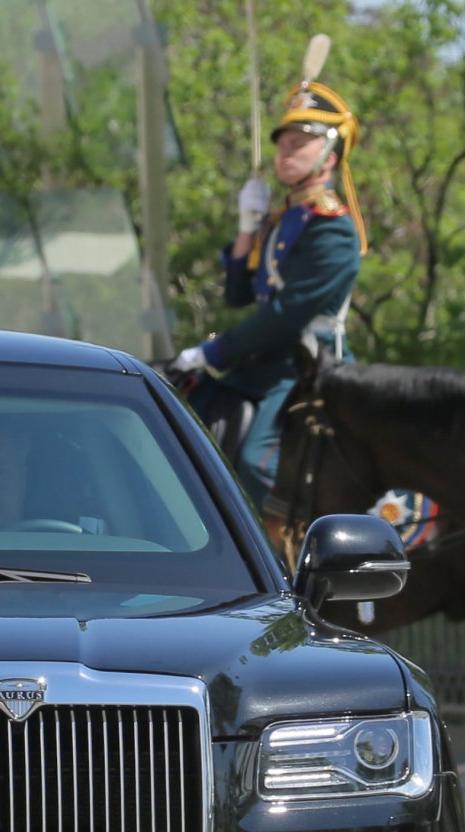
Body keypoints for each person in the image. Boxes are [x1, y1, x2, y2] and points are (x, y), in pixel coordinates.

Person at [172, 37, 366, 508]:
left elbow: (287, 314)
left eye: (301, 143)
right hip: (268, 359)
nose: (286, 151)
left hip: (308, 361)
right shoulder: (285, 220)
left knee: (261, 463)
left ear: (330, 157)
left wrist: (215, 349)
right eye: (283, 142)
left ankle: (293, 559)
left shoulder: (333, 230)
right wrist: (246, 228)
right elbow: (238, 294)